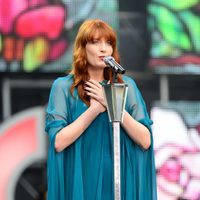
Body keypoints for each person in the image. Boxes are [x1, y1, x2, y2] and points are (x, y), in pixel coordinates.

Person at [45, 19, 157, 200]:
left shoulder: (126, 86)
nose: (103, 49)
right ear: (83, 47)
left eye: (109, 43)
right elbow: (58, 142)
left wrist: (113, 104)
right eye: (96, 42)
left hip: (118, 179)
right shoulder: (64, 87)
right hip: (81, 181)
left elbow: (145, 140)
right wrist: (95, 109)